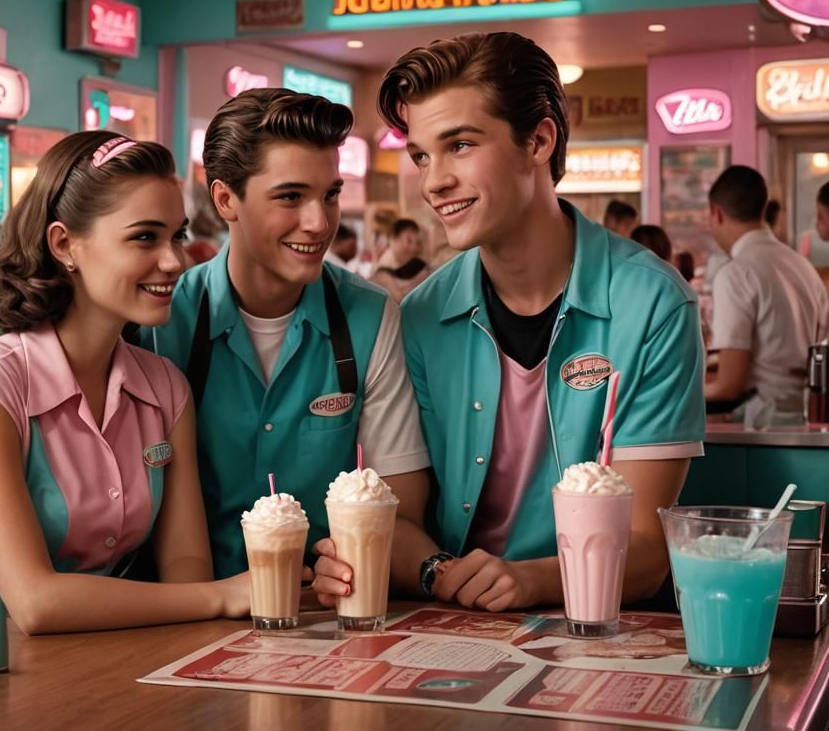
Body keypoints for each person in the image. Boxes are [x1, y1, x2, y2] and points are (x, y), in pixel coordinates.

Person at [317, 31, 704, 614]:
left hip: (599, 630)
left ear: (539, 141)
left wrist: (531, 582)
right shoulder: (419, 316)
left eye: (460, 145)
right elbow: (398, 521)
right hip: (453, 626)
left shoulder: (653, 305)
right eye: (422, 156)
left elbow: (647, 553)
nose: (433, 181)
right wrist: (436, 571)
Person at [0, 131, 248, 633]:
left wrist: (206, 600)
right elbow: (36, 602)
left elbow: (186, 569)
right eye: (145, 237)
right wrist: (222, 596)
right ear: (64, 245)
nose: (174, 262)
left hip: (93, 645)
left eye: (177, 237)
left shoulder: (167, 389)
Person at [145, 88, 434, 586]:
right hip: (190, 605)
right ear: (225, 199)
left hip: (329, 604)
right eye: (290, 197)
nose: (319, 223)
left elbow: (398, 513)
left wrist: (349, 566)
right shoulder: (164, 321)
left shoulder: (368, 317)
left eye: (330, 195)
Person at [705, 165, 829, 425]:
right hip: (807, 417)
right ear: (764, 208)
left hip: (762, 423)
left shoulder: (736, 274)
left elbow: (729, 385)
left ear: (716, 213)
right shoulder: (802, 265)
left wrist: (672, 395)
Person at [370, 218, 430, 303]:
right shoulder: (382, 274)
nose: (414, 248)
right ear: (393, 238)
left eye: (418, 244)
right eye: (409, 241)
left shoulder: (418, 267)